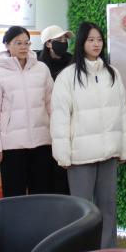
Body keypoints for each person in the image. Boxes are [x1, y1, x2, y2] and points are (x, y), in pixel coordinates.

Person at [51, 22, 126, 249]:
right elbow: (60, 117)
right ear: (81, 43)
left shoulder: (112, 73)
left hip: (109, 152)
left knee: (108, 207)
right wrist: (62, 154)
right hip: (81, 156)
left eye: (99, 40)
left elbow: (122, 112)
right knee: (82, 210)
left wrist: (125, 148)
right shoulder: (67, 76)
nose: (96, 44)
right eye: (91, 40)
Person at [0, 26, 53, 197]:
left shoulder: (42, 69)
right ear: (7, 44)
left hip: (42, 142)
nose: (23, 47)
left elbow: (52, 105)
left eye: (27, 43)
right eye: (18, 43)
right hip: (11, 146)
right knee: (14, 196)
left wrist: (57, 138)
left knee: (41, 195)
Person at [36, 24, 73, 194]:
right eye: (59, 39)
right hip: (44, 126)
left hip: (67, 123)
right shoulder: (37, 65)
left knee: (64, 174)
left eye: (65, 39)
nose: (64, 42)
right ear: (48, 43)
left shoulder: (72, 61)